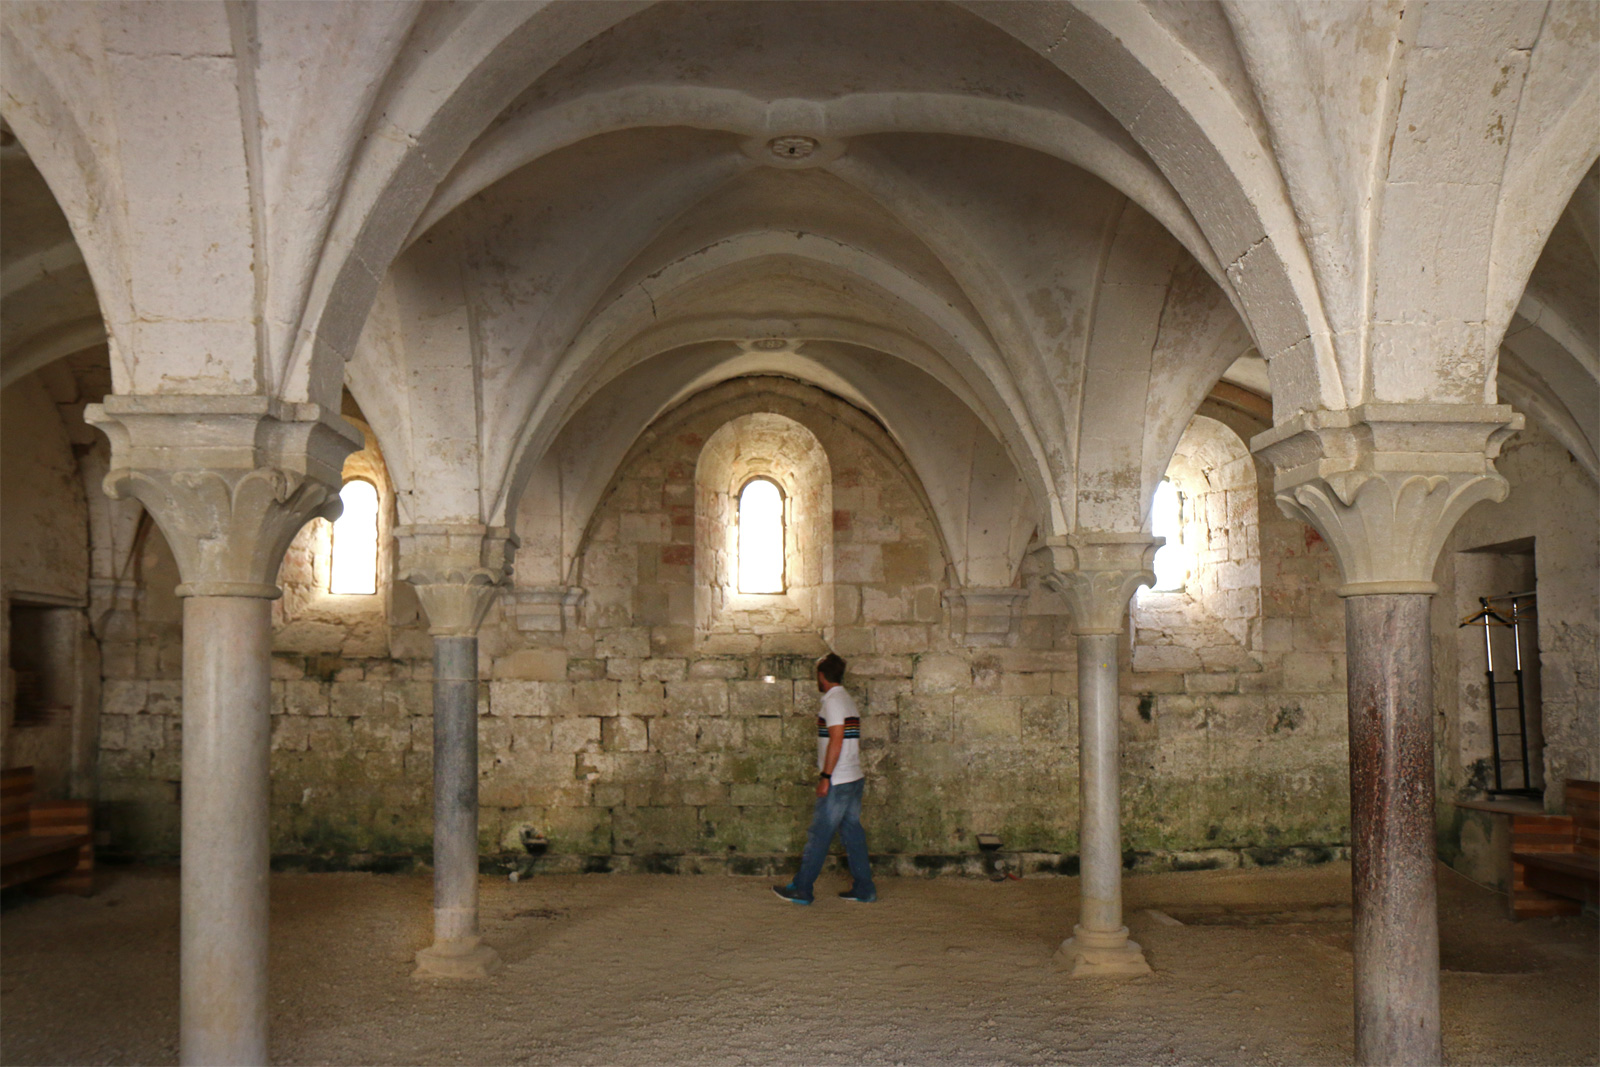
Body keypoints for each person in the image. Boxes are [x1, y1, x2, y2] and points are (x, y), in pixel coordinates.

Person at [773, 653, 876, 904]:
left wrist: (825, 776)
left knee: (819, 834)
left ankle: (802, 888)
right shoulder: (847, 700)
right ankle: (864, 888)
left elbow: (837, 739)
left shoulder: (833, 701)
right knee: (852, 834)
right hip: (853, 778)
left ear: (822, 676)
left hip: (839, 780)